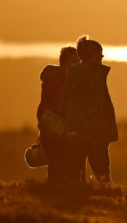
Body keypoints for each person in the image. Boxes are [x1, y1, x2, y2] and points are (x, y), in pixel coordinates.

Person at [61, 36, 118, 185]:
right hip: (95, 132)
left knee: (73, 170)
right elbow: (96, 106)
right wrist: (95, 128)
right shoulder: (95, 75)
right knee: (101, 169)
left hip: (74, 129)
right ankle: (107, 190)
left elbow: (64, 101)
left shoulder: (72, 73)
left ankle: (72, 191)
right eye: (99, 53)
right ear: (90, 56)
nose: (102, 56)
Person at [36, 46, 79, 185]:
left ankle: (52, 192)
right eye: (75, 62)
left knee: (54, 169)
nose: (79, 65)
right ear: (66, 63)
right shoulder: (67, 81)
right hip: (63, 132)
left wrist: (43, 127)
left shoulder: (50, 79)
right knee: (64, 171)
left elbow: (42, 107)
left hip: (49, 131)